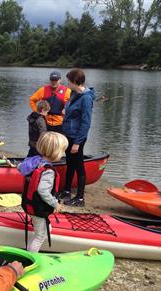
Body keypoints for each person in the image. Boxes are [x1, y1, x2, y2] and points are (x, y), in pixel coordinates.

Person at [18, 132, 68, 252]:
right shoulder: (48, 171)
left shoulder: (35, 161)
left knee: (43, 231)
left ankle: (28, 251)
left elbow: (20, 167)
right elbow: (43, 191)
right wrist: (55, 204)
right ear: (55, 152)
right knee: (40, 236)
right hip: (38, 208)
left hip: (28, 204)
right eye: (62, 150)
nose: (63, 153)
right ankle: (31, 258)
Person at [59, 68, 95, 207]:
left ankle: (80, 198)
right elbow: (70, 108)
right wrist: (65, 111)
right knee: (70, 164)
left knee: (79, 166)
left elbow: (86, 122)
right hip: (68, 135)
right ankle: (67, 191)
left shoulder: (86, 98)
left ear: (75, 82)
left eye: (69, 81)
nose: (68, 84)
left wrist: (77, 143)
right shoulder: (75, 93)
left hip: (77, 137)